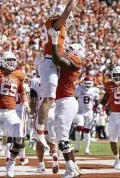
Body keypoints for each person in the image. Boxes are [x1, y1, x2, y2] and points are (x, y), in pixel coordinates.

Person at [36, 0, 84, 149]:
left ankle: (45, 132)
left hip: (51, 62)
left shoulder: (57, 27)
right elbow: (69, 9)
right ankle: (39, 131)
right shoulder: (55, 24)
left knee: (51, 99)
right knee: (49, 98)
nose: (68, 18)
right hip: (50, 62)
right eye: (66, 16)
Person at [48, 27, 85, 177]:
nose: (67, 51)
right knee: (61, 136)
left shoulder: (75, 61)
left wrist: (55, 41)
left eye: (69, 50)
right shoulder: (72, 61)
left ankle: (70, 170)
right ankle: (74, 167)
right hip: (63, 101)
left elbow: (57, 59)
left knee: (62, 138)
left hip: (66, 101)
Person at [29, 68, 59, 174]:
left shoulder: (35, 81)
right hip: (53, 112)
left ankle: (41, 164)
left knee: (39, 139)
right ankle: (54, 155)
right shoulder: (55, 79)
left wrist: (31, 113)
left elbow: (33, 100)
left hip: (41, 112)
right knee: (52, 137)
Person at [5, 68, 30, 166]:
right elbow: (25, 97)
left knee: (9, 136)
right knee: (21, 136)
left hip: (10, 110)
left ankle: (8, 157)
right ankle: (22, 158)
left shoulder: (11, 84)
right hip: (20, 112)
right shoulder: (25, 86)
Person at [74, 76, 100, 154]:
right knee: (79, 128)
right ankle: (77, 146)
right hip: (80, 111)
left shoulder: (95, 90)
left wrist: (96, 111)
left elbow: (96, 102)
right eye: (86, 83)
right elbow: (74, 99)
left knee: (87, 130)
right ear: (83, 83)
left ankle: (87, 149)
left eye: (89, 83)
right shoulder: (78, 88)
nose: (88, 85)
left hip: (89, 112)